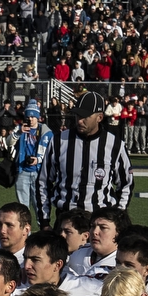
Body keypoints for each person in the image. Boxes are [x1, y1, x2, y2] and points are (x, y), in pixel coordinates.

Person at [40, 92, 133, 226]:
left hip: (99, 221)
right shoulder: (59, 141)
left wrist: (117, 218)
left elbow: (126, 184)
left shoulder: (115, 145)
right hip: (66, 219)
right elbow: (44, 182)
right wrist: (44, 221)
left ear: (99, 117)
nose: (79, 120)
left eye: (85, 116)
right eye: (78, 115)